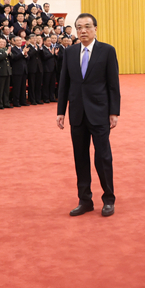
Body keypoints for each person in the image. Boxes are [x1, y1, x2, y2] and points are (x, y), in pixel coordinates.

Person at [56, 13, 120, 217]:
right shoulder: (69, 52)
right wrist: (61, 111)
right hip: (77, 113)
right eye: (79, 27)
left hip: (100, 113)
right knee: (80, 157)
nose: (83, 31)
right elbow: (64, 84)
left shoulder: (107, 51)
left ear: (95, 29)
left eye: (87, 26)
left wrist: (114, 112)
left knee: (103, 157)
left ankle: (108, 199)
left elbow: (113, 84)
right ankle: (85, 200)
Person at [0, 36, 12, 109]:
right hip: (0, 72)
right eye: (0, 42)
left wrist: (9, 53)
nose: (2, 44)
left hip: (7, 71)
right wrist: (6, 53)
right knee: (0, 89)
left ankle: (6, 102)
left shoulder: (5, 49)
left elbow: (12, 57)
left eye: (3, 42)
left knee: (6, 89)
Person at [9, 36, 28, 107]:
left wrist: (26, 55)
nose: (19, 42)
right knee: (17, 87)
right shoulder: (13, 49)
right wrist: (22, 53)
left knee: (23, 87)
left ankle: (23, 101)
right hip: (17, 70)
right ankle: (16, 102)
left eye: (20, 40)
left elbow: (27, 58)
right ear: (14, 42)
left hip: (24, 70)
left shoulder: (23, 48)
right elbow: (14, 58)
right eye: (17, 40)